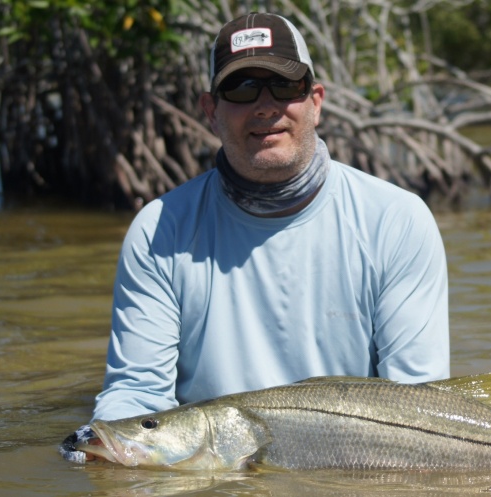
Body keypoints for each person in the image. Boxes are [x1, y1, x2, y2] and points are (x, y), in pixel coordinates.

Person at [60, 12, 449, 461]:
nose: (265, 106)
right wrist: (97, 449)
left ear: (316, 101)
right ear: (211, 111)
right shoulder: (158, 230)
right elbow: (137, 395)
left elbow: (423, 411)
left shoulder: (397, 220)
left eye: (285, 87)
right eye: (242, 89)